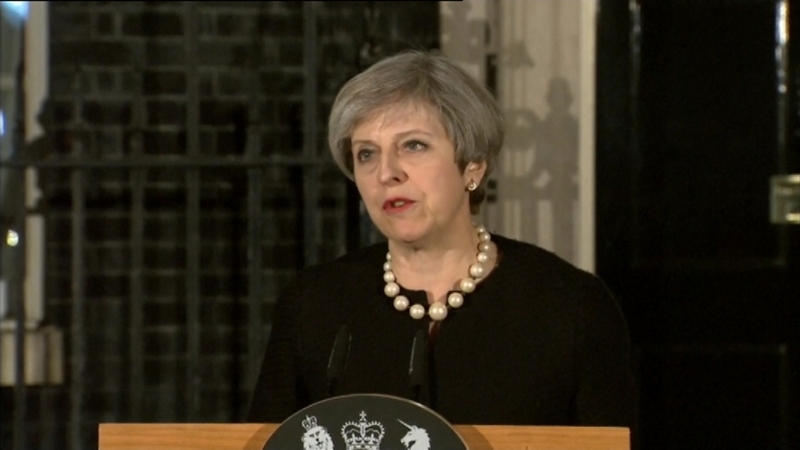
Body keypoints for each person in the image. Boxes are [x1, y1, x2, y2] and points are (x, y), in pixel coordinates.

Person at [247, 50, 637, 430]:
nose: (387, 173)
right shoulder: (313, 305)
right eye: (366, 154)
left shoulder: (571, 307)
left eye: (413, 145)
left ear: (473, 165)